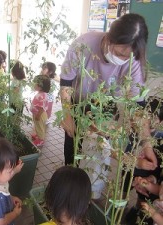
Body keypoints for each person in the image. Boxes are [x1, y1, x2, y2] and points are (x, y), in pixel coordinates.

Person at [60, 13, 157, 167]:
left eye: (128, 58)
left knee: (101, 150)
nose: (122, 61)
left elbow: (138, 107)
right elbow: (66, 82)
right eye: (119, 54)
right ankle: (71, 174)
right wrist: (67, 114)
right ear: (109, 38)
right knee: (73, 144)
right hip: (78, 102)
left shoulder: (134, 61)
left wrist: (147, 144)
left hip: (106, 106)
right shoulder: (83, 44)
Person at [30, 75, 50, 147]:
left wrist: (38, 115)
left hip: (39, 115)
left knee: (40, 127)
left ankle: (41, 140)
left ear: (40, 87)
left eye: (35, 83)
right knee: (38, 126)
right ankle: (38, 135)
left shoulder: (42, 95)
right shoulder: (41, 94)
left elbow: (41, 107)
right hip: (37, 114)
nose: (33, 84)